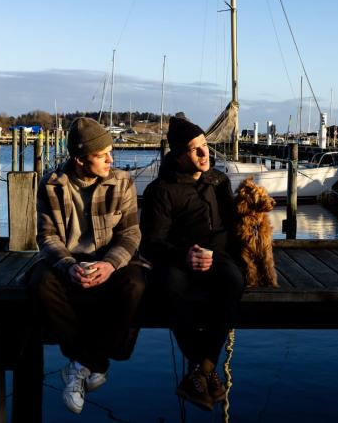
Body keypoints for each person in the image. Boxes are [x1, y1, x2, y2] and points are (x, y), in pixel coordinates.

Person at [28, 117, 145, 414]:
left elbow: (131, 234)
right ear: (80, 159)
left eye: (110, 152)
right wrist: (68, 266)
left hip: (112, 261)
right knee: (39, 284)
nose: (111, 159)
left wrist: (108, 265)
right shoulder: (52, 186)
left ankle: (80, 364)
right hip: (70, 261)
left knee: (136, 285)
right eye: (102, 154)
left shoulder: (123, 182)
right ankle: (94, 361)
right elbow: (47, 236)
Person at [140, 117, 245, 411]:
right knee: (170, 285)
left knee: (234, 281)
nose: (204, 154)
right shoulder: (160, 190)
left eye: (205, 146)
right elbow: (150, 243)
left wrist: (213, 252)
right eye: (194, 149)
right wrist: (184, 255)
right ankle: (206, 368)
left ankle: (203, 368)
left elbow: (229, 228)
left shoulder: (219, 182)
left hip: (215, 257)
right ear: (177, 155)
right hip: (176, 261)